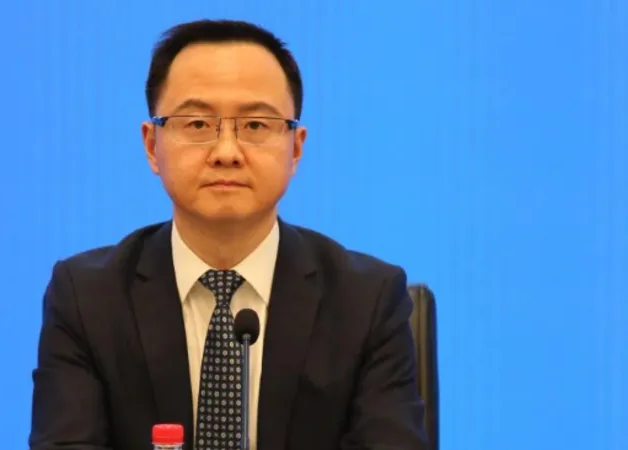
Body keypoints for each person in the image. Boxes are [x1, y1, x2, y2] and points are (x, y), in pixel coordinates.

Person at [29, 19, 427, 450]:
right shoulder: (87, 299)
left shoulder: (367, 302)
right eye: (198, 124)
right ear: (151, 145)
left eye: (255, 125)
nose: (226, 152)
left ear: (295, 148)